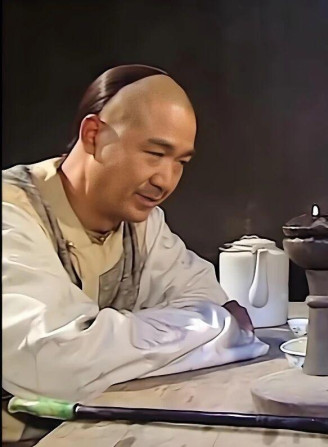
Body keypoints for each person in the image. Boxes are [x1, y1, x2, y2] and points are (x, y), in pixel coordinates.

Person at [2, 65, 269, 443]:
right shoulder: (13, 212)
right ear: (93, 135)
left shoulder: (143, 225)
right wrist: (212, 328)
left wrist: (109, 341)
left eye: (180, 163)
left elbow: (214, 303)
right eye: (155, 153)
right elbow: (54, 364)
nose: (165, 181)